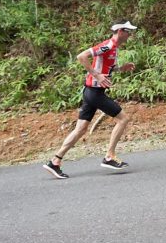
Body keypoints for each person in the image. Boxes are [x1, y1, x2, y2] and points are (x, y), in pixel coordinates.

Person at [43, 20, 138, 179]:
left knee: (80, 129)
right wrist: (96, 75)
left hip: (91, 92)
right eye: (128, 32)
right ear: (120, 31)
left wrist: (121, 68)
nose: (130, 35)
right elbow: (82, 56)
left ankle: (55, 161)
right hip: (94, 93)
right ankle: (109, 156)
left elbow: (107, 67)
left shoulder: (113, 48)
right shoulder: (108, 45)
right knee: (123, 119)